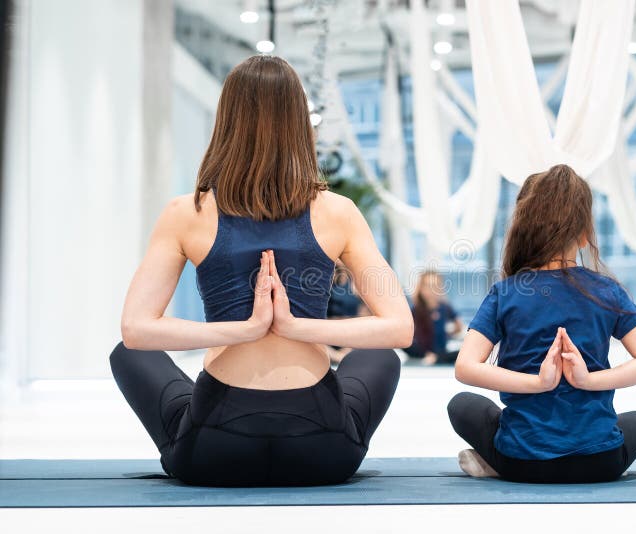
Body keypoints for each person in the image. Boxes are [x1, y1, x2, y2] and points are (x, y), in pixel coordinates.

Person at [109, 55, 413, 487]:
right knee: (379, 356)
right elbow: (399, 329)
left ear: (226, 121)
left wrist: (241, 330)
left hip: (213, 450)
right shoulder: (338, 212)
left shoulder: (186, 212)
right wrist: (299, 327)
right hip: (324, 451)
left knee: (127, 356)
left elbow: (135, 332)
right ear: (299, 125)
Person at [448, 164, 636, 483]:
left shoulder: (506, 292)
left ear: (525, 230)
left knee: (462, 405)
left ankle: (494, 462)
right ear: (584, 235)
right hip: (601, 463)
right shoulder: (607, 290)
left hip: (522, 463)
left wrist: (539, 384)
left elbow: (465, 367)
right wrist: (589, 381)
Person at [405, 270, 464, 365]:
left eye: (435, 286)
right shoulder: (416, 310)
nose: (431, 290)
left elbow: (459, 326)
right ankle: (432, 357)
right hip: (422, 353)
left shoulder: (445, 308)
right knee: (405, 344)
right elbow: (407, 334)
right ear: (421, 289)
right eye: (428, 286)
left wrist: (449, 334)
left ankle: (436, 358)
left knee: (463, 353)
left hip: (441, 353)